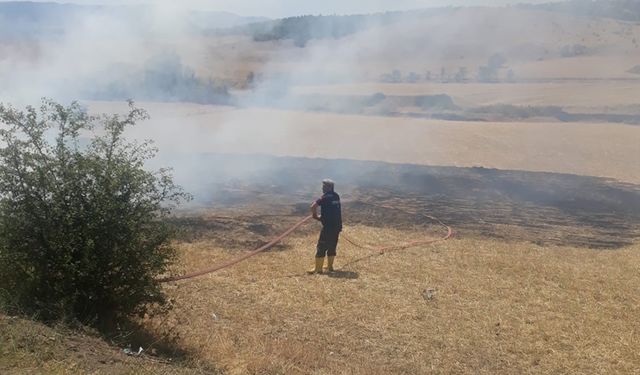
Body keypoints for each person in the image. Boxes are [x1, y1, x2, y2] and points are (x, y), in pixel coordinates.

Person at [308, 179, 342, 274]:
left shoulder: (325, 197)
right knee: (332, 246)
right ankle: (330, 266)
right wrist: (322, 217)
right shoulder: (336, 196)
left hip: (328, 227)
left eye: (324, 186)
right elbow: (332, 210)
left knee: (321, 246)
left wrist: (315, 216)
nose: (322, 188)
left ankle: (318, 269)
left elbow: (313, 206)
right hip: (337, 226)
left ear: (329, 187)